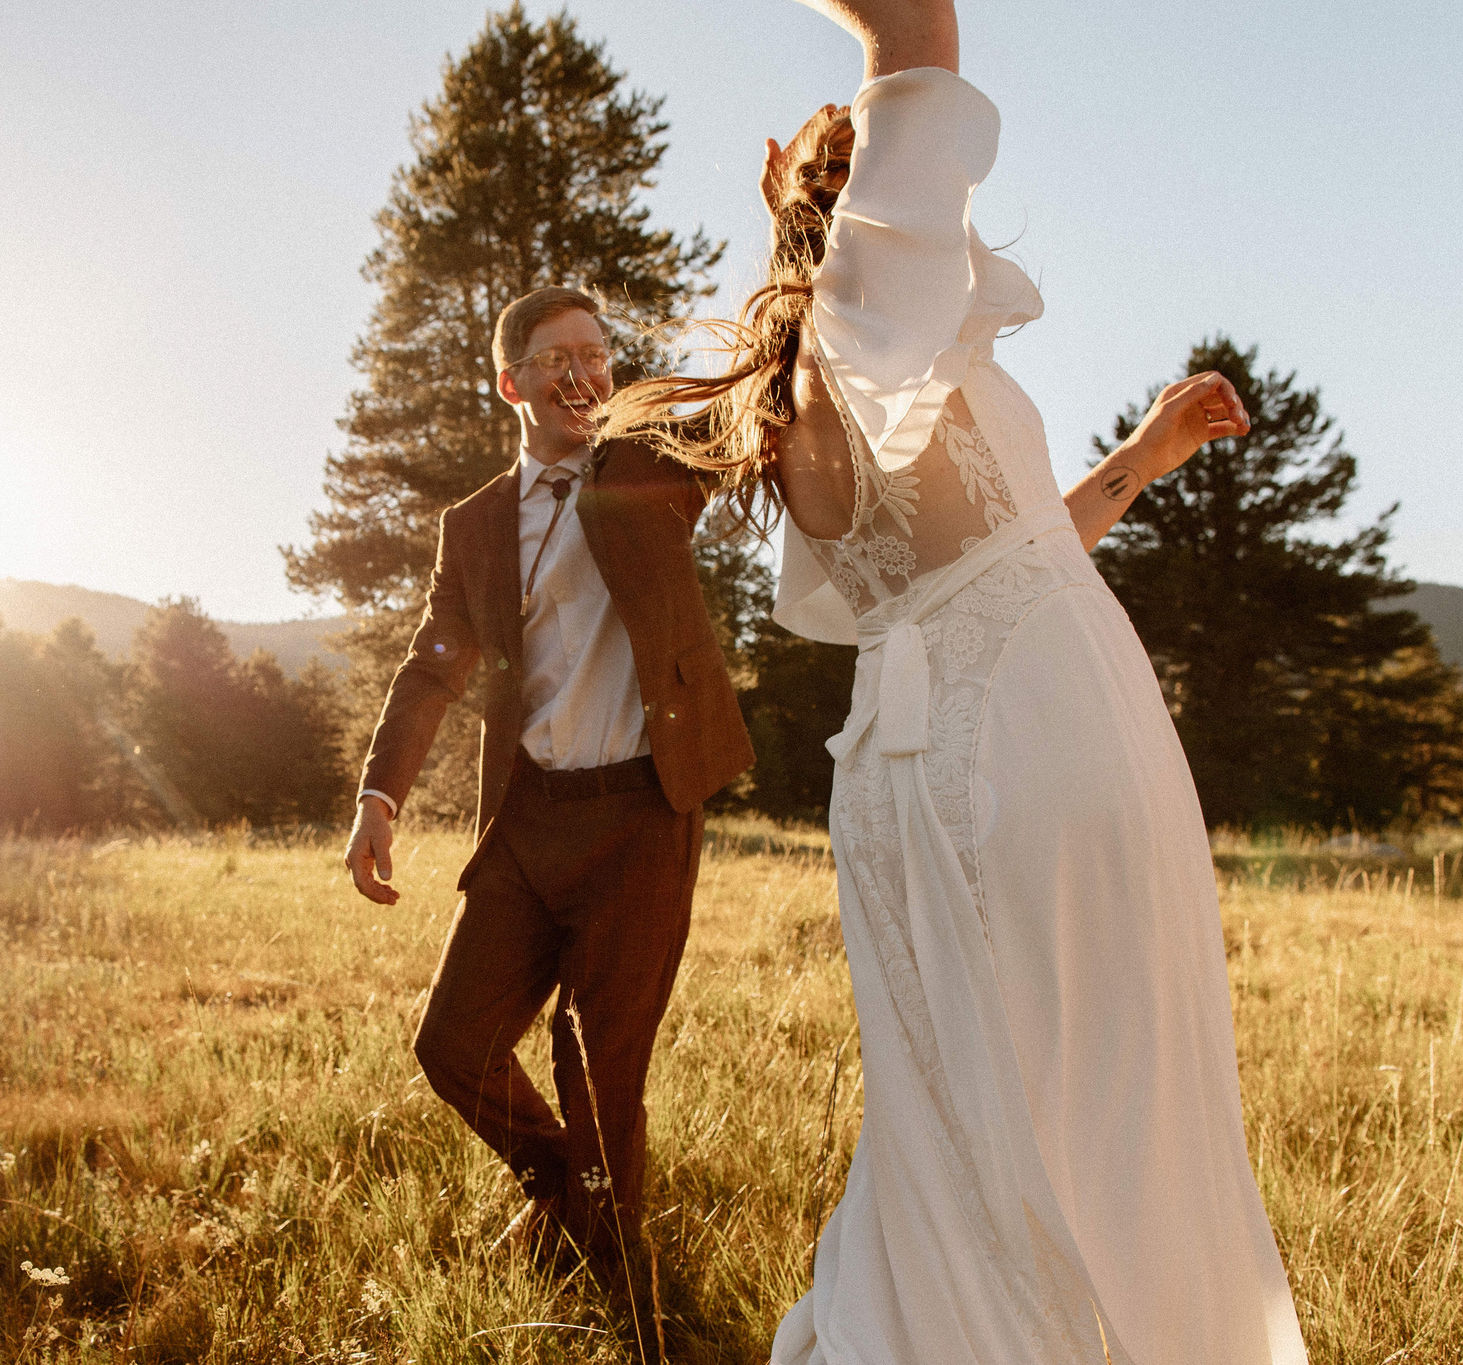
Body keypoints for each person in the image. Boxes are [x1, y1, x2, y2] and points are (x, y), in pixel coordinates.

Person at [598, 1, 1311, 1361]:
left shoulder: (831, 380)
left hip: (925, 766)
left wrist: (1140, 465)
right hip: (1035, 737)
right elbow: (915, 30)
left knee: (973, 1108)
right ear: (862, 200)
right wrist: (882, 55)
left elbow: (996, 552)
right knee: (1103, 1089)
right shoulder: (873, 319)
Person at [342, 285, 754, 1355]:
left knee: (597, 1061)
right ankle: (565, 1187)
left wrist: (802, 233)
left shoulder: (654, 466)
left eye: (596, 354)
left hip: (640, 808)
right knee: (452, 1044)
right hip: (529, 820)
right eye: (556, 357)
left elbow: (758, 395)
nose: (583, 373)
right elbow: (430, 668)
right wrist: (377, 797)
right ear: (509, 382)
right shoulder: (475, 525)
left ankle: (625, 1292)